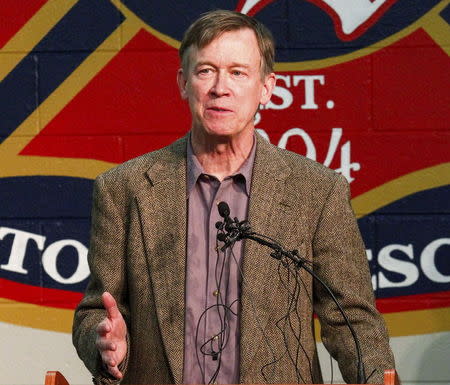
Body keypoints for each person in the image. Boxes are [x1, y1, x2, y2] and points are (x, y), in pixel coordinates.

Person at [73, 10, 395, 385]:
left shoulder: (317, 192)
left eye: (238, 72)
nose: (220, 88)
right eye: (206, 70)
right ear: (183, 82)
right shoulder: (124, 188)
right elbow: (97, 310)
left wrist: (377, 379)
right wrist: (105, 345)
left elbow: (353, 321)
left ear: (267, 87)